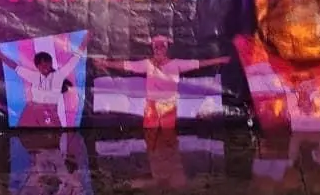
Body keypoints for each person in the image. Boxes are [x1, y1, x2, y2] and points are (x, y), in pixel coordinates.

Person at [95, 35, 231, 129]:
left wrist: (220, 60)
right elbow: (126, 65)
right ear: (153, 49)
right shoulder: (147, 64)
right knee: (151, 134)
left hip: (169, 105)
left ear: (166, 49)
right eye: (156, 47)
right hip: (151, 106)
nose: (159, 50)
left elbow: (199, 64)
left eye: (162, 47)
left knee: (167, 136)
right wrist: (105, 63)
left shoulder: (176, 63)